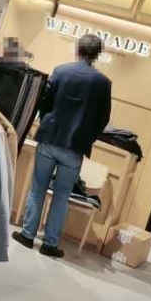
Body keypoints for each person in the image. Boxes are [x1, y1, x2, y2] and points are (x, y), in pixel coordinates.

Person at [13, 33, 112, 258]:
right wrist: (88, 137)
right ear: (97, 55)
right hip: (75, 147)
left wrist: (45, 122)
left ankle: (27, 235)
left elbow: (45, 102)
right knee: (62, 195)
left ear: (78, 49)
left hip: (50, 138)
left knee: (38, 189)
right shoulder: (103, 83)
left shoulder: (60, 71)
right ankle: (50, 244)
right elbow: (103, 118)